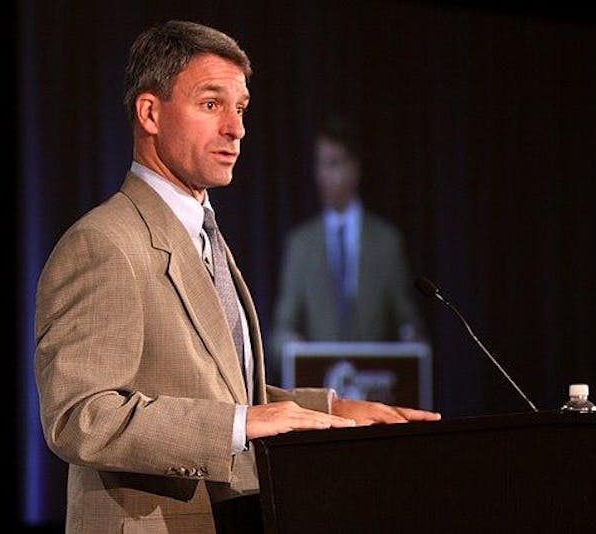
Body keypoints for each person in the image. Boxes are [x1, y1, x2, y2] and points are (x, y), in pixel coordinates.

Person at [34, 20, 440, 534]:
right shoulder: (103, 243)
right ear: (150, 112)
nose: (236, 128)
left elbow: (220, 389)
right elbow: (80, 417)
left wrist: (333, 411)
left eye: (241, 109)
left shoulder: (203, 234)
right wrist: (241, 423)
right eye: (211, 104)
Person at [270, 115, 425, 383]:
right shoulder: (300, 244)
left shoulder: (386, 242)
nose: (323, 175)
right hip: (321, 387)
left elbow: (407, 321)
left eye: (334, 164)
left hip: (373, 387)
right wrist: (291, 346)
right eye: (320, 164)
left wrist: (411, 338)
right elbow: (282, 329)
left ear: (354, 169)